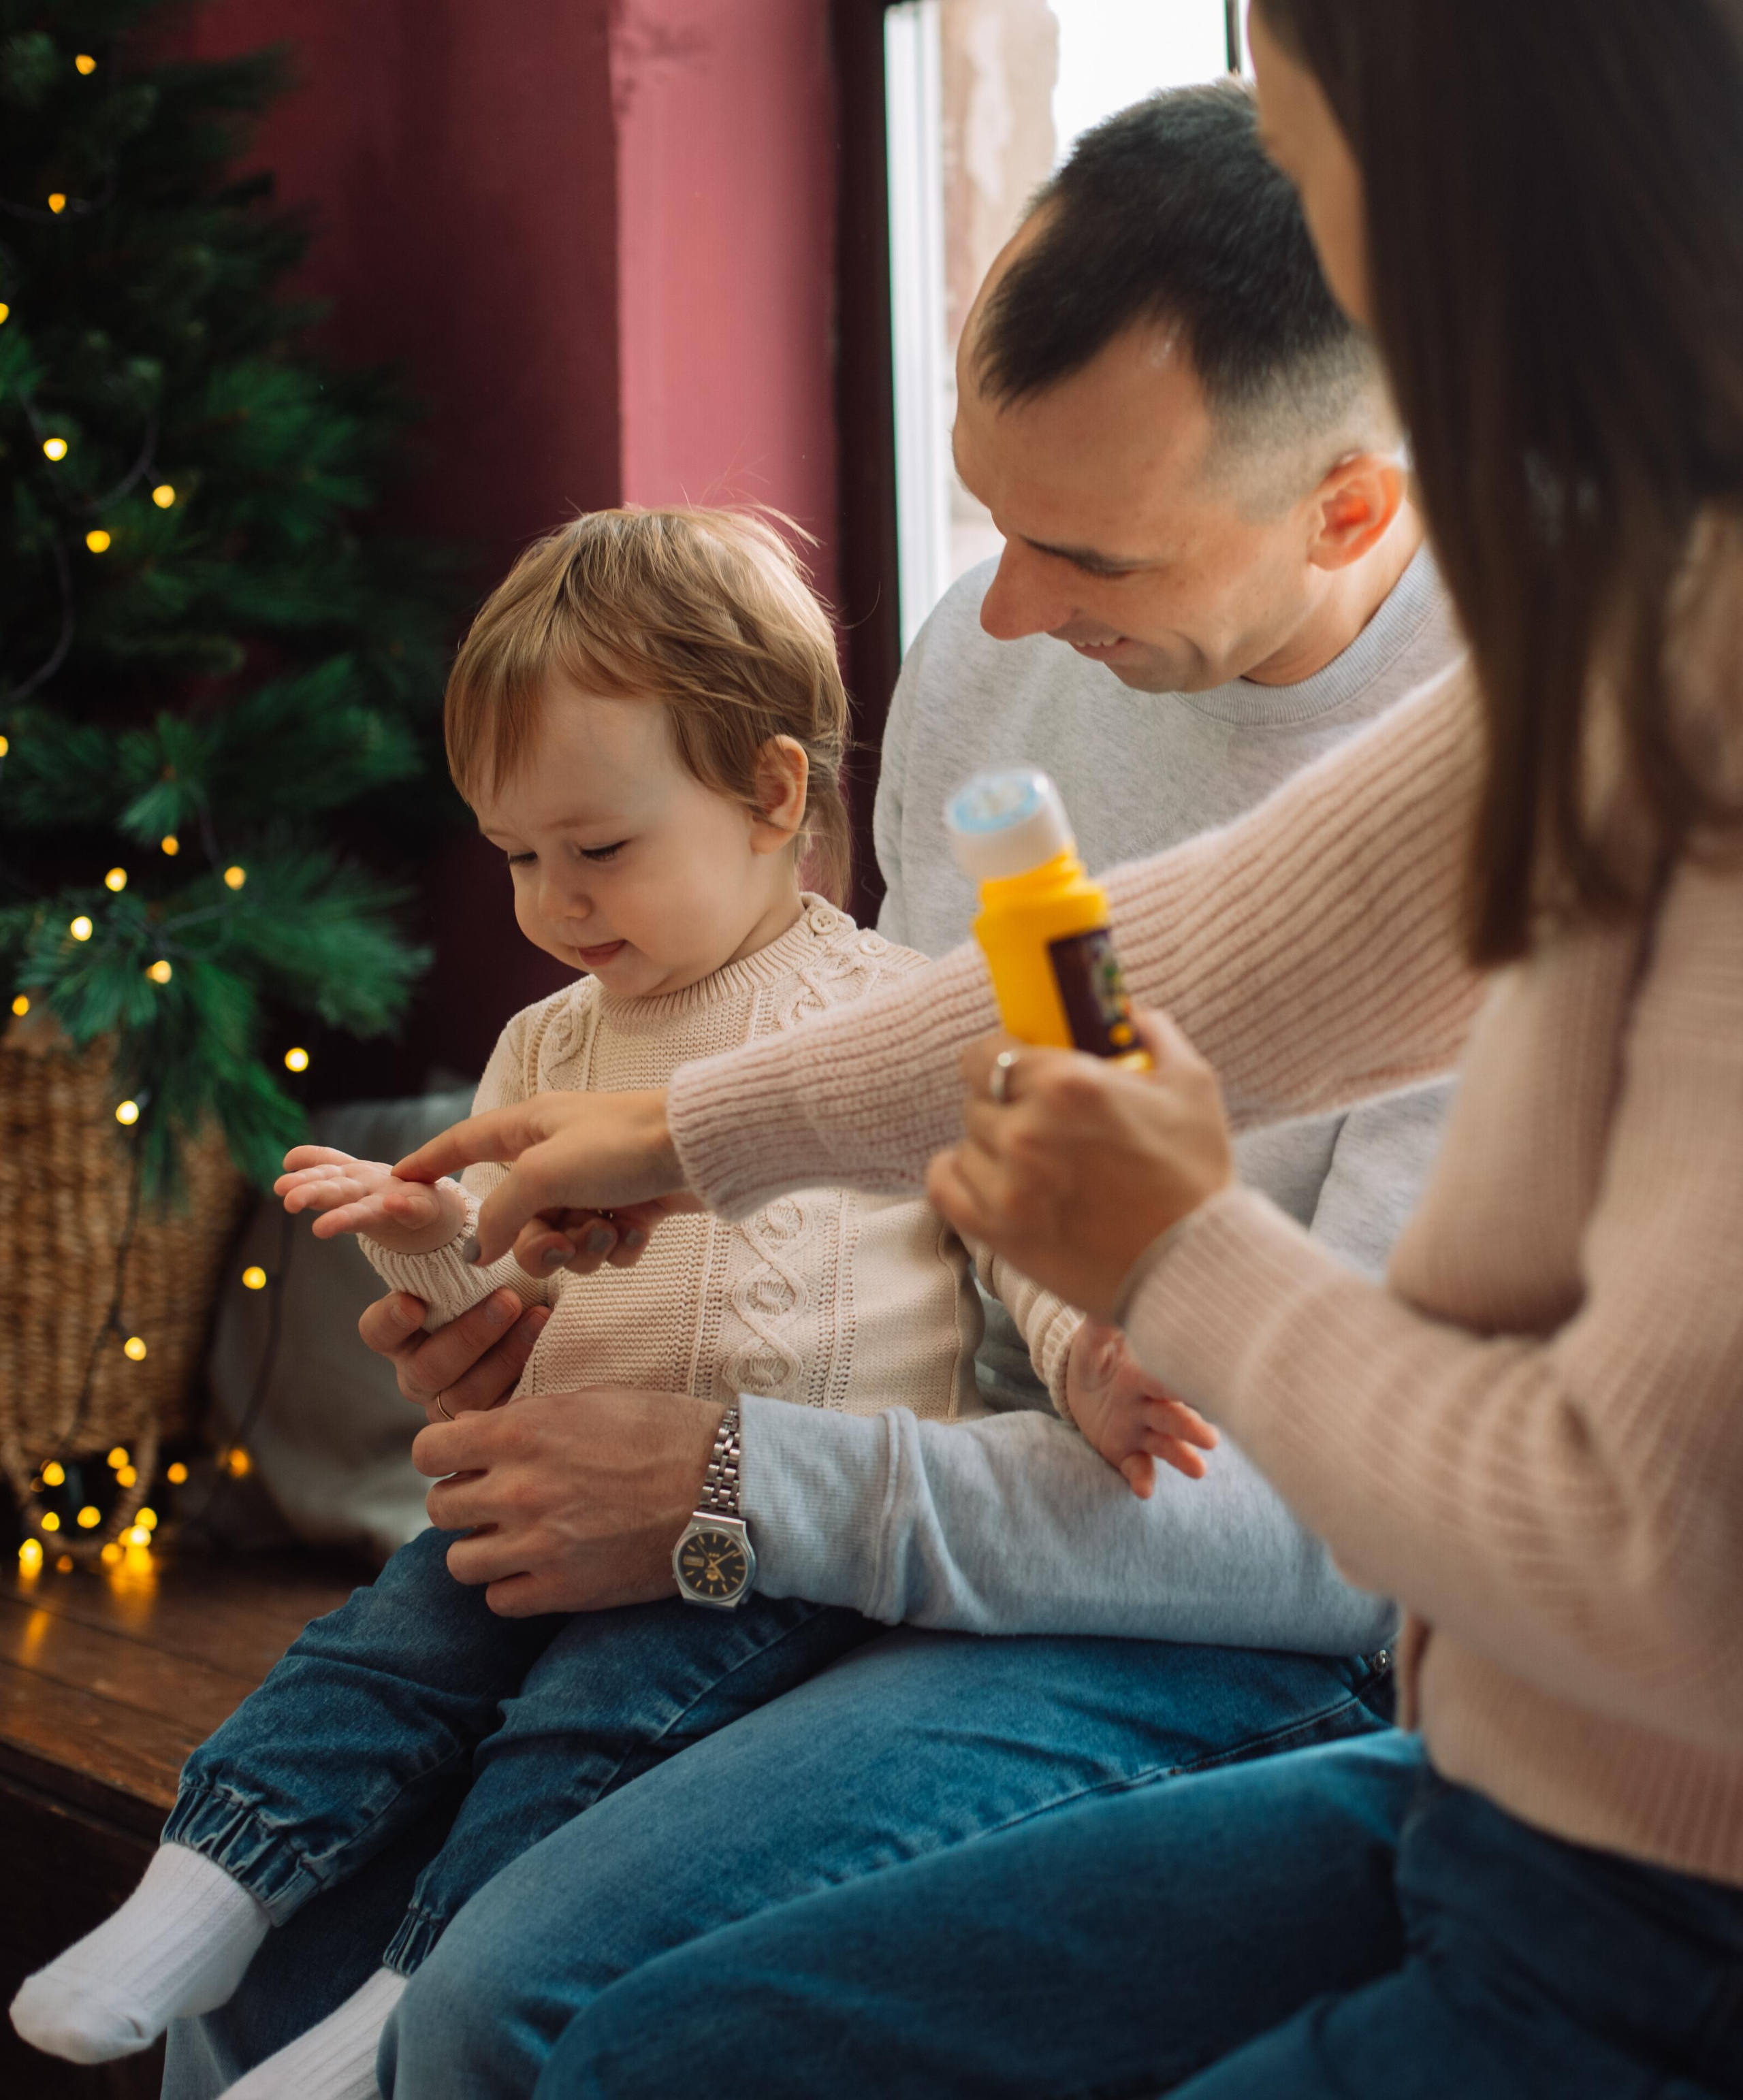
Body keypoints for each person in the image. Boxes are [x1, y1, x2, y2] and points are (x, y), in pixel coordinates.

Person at [412, 4, 1743, 2095]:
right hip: (1469, 1765)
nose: (1002, 617)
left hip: (1541, 1818)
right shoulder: (1640, 620)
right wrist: (670, 1150)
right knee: (625, 2023)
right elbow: (1202, 957)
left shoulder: (1612, 641)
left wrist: (1150, 1270)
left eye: (1340, 191)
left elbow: (1566, 1538)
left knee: (528, 2010)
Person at [163, 88, 1457, 2099]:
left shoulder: (1531, 772)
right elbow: (948, 1129)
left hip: (1221, 1609)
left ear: (1352, 509)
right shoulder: (1007, 647)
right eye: (985, 515)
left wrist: (727, 1490)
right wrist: (596, 1328)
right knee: (260, 1904)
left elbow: (1337, 1535)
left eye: (1079, 549)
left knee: (515, 2000)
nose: (1001, 615)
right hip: (941, 1470)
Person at [14, 506, 1215, 2090]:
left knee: (574, 1732)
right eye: (516, 856)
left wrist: (1094, 1363)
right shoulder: (544, 1046)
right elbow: (506, 1288)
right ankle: (202, 1888)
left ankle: (401, 2003)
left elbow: (1030, 1237)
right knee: (375, 1651)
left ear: (770, 794)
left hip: (773, 1555)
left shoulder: (897, 1016)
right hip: (553, 1491)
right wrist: (415, 1239)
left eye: (597, 849)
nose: (556, 903)